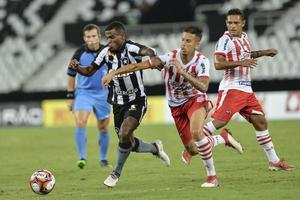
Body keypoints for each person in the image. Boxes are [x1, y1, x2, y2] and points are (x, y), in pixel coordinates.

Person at [102, 26, 243, 187]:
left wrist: (182, 72)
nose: (184, 43)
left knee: (197, 133)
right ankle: (222, 138)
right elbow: (137, 66)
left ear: (197, 44)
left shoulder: (201, 61)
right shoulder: (169, 57)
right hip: (176, 107)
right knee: (192, 150)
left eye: (188, 41)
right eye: (183, 40)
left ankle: (212, 177)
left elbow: (203, 87)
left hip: (195, 100)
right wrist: (114, 72)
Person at [69, 21, 170, 188]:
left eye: (112, 37)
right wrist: (78, 67)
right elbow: (89, 71)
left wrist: (153, 57)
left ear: (122, 37)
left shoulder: (131, 48)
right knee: (127, 141)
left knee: (124, 132)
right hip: (117, 104)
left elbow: (147, 50)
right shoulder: (105, 52)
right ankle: (155, 148)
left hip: (136, 100)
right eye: (107, 38)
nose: (109, 41)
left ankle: (115, 173)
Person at [199, 8, 295, 171]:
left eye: (236, 23)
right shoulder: (225, 40)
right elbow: (218, 63)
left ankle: (274, 161)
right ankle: (194, 142)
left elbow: (246, 54)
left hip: (246, 90)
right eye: (229, 22)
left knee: (260, 121)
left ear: (243, 23)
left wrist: (264, 52)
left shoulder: (244, 37)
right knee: (220, 122)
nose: (232, 26)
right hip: (232, 88)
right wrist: (240, 63)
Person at [67, 24, 111, 169]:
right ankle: (81, 157)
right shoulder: (79, 53)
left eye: (93, 36)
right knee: (80, 121)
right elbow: (71, 74)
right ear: (84, 38)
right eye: (88, 37)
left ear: (99, 36)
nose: (91, 39)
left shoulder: (108, 52)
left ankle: (103, 159)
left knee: (103, 127)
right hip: (84, 93)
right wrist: (70, 96)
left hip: (103, 94)